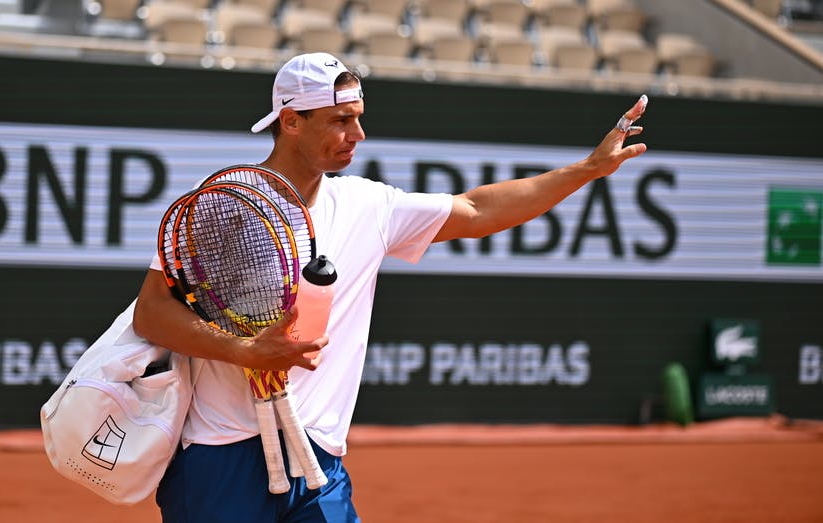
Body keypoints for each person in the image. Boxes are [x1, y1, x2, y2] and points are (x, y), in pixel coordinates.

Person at [132, 52, 648, 522]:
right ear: (291, 121)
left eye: (358, 118)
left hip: (317, 460)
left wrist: (588, 169)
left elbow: (478, 209)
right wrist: (245, 350)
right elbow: (152, 315)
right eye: (340, 120)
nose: (357, 134)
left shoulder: (369, 204)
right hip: (221, 455)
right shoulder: (224, 205)